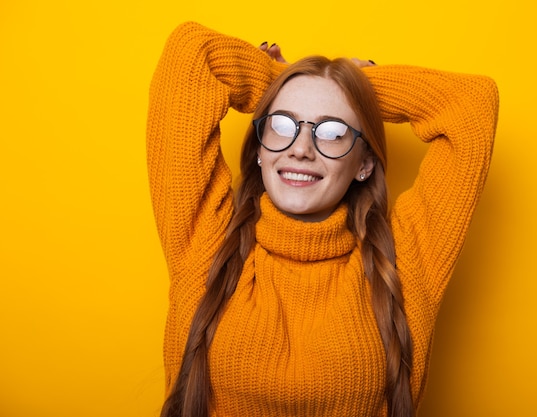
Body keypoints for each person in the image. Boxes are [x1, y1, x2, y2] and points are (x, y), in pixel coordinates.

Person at [147, 21, 499, 417]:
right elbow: (193, 53)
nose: (300, 149)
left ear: (364, 163)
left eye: (331, 132)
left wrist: (353, 87)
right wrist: (287, 78)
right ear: (261, 148)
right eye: (282, 125)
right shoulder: (207, 238)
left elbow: (472, 104)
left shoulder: (403, 261)